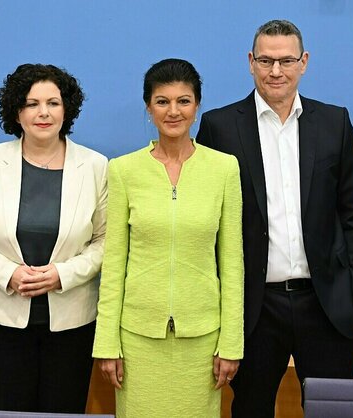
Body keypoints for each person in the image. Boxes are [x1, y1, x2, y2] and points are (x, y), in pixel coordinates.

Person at [196, 20, 353, 417]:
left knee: (334, 410)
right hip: (256, 307)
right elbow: (210, 223)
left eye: (286, 60)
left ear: (304, 62)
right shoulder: (220, 127)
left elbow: (352, 214)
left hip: (325, 303)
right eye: (266, 60)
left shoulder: (334, 122)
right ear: (250, 62)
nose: (276, 71)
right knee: (252, 408)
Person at [0, 63, 107, 413]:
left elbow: (106, 241)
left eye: (53, 103)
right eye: (32, 103)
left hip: (72, 324)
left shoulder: (95, 166)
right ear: (16, 111)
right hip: (2, 324)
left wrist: (62, 275)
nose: (43, 113)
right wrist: (9, 274)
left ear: (66, 109)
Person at [93, 58, 244, 417]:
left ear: (197, 106)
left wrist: (231, 342)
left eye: (183, 101)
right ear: (148, 107)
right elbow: (114, 262)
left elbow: (232, 263)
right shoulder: (124, 170)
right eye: (162, 101)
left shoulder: (224, 169)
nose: (173, 111)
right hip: (137, 340)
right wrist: (107, 342)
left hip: (203, 340)